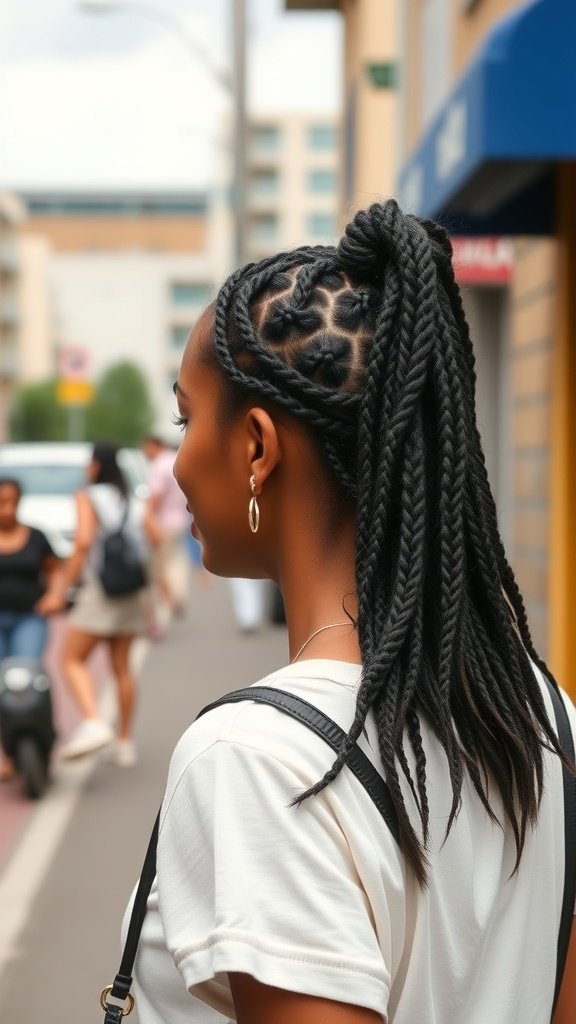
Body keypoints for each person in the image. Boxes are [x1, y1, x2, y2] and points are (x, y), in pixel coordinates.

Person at [125, 202, 576, 1023]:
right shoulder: (546, 719)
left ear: (257, 448)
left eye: (186, 419)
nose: (181, 458)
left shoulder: (257, 759)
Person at [57, 442, 148, 766]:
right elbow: (151, 537)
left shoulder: (88, 496)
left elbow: (82, 543)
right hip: (132, 589)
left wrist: (60, 589)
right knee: (122, 667)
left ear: (96, 465)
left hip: (101, 590)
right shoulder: (130, 496)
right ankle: (124, 743)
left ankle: (94, 722)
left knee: (69, 658)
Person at [0, 478, 62, 781]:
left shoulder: (35, 536)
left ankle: (44, 736)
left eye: (12, 502)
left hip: (29, 618)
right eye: (1, 503)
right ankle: (5, 752)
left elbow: (55, 570)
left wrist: (54, 594)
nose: (7, 509)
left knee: (28, 676)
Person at [142, 435, 189, 623]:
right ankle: (178, 595)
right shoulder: (176, 461)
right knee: (176, 562)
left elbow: (156, 497)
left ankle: (169, 601)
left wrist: (148, 518)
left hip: (162, 524)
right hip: (180, 521)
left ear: (155, 445)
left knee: (158, 567)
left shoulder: (159, 466)